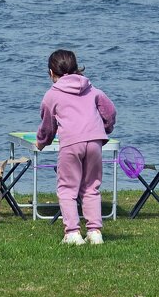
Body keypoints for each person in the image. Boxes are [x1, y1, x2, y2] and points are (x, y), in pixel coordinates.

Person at [34, 49, 116, 246]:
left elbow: (47, 125)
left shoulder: (51, 95)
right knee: (91, 187)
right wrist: (105, 128)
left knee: (67, 189)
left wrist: (42, 142)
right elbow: (110, 111)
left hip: (71, 142)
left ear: (51, 73)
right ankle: (95, 231)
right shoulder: (91, 89)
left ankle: (72, 233)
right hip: (95, 141)